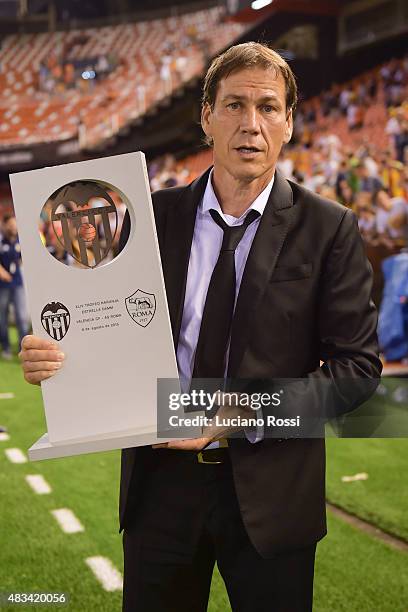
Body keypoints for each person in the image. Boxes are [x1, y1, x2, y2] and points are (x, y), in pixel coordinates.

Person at [19, 43, 381, 612]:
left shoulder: (328, 228)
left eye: (268, 108)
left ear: (288, 122)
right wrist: (54, 359)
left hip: (271, 493)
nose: (251, 124)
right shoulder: (146, 219)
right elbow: (100, 329)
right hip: (160, 485)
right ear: (206, 116)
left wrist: (236, 413)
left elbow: (356, 373)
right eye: (234, 105)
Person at [0, 215, 30, 359]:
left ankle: (22, 349)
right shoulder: (1, 241)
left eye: (15, 224)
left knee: (22, 317)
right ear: (5, 225)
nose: (13, 227)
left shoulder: (21, 240)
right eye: (10, 225)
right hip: (2, 285)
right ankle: (5, 347)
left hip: (17, 283)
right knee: (2, 317)